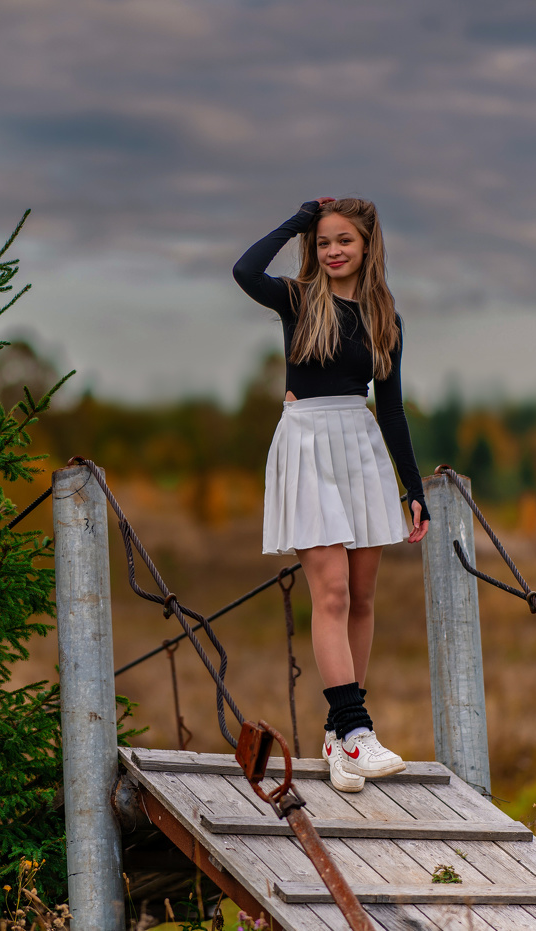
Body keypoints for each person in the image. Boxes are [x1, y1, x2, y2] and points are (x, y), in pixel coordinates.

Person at [233, 196, 428, 794]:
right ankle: (357, 729)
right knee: (334, 592)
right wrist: (297, 221)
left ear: (367, 244)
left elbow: (390, 409)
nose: (334, 251)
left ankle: (338, 739)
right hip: (307, 445)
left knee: (364, 597)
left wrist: (411, 487)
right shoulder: (298, 298)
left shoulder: (383, 315)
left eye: (344, 240)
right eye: (323, 242)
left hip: (360, 446)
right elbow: (244, 271)